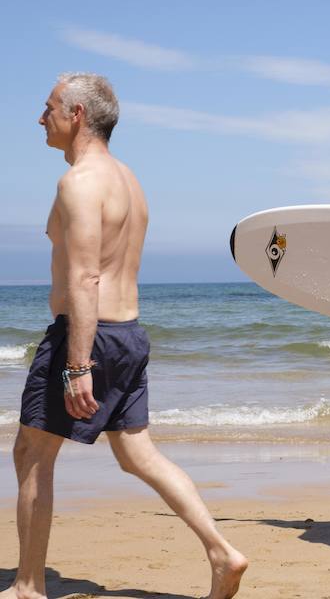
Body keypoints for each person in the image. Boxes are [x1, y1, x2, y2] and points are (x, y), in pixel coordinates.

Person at [1, 73, 247, 599]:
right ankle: (222, 552)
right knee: (137, 454)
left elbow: (86, 276)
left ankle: (27, 586)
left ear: (77, 116)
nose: (38, 118)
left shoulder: (81, 183)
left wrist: (77, 365)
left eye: (47, 108)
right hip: (128, 333)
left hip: (90, 335)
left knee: (31, 452)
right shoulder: (125, 180)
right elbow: (64, 241)